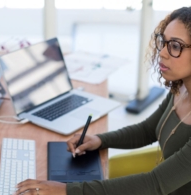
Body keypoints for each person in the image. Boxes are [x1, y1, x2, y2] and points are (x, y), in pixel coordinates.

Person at [14, 6, 191, 195]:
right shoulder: (181, 89)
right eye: (163, 42)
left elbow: (154, 184)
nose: (163, 53)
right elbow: (149, 129)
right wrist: (99, 140)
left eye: (175, 46)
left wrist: (66, 191)